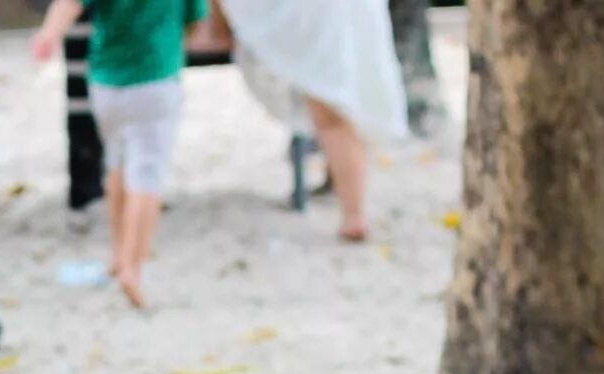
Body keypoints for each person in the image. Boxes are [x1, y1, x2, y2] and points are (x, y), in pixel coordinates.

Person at [34, 0, 207, 307]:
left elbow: (70, 3)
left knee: (116, 166)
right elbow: (195, 20)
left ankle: (117, 255)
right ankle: (132, 267)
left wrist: (49, 33)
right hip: (156, 75)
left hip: (105, 80)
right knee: (147, 176)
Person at [209, 0, 408, 241]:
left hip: (317, 17)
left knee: (333, 116)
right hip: (349, 12)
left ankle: (353, 214)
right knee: (344, 105)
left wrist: (219, 24)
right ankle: (348, 200)